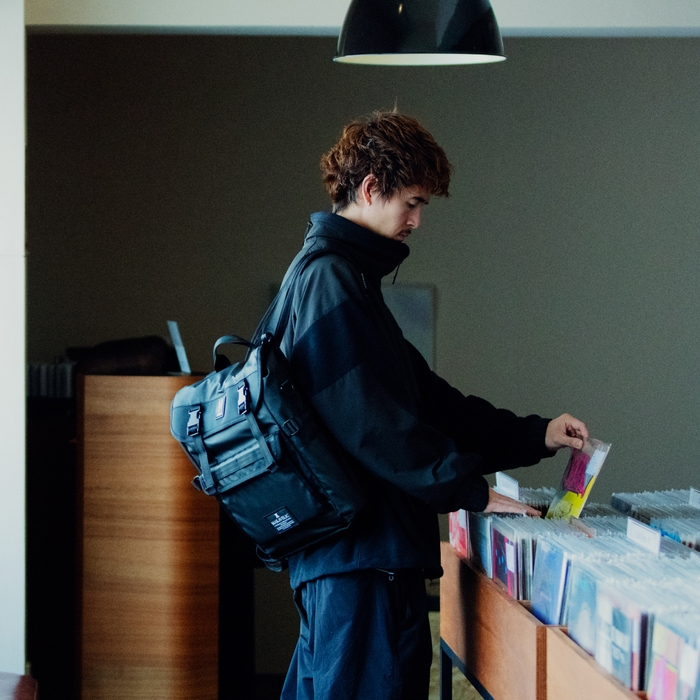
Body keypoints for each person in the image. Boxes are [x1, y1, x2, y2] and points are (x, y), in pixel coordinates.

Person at [277, 110, 588, 700]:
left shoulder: (345, 280)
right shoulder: (330, 282)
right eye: (413, 203)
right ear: (371, 188)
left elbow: (433, 404)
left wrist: (536, 434)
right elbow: (374, 426)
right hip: (360, 566)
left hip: (354, 564)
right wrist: (471, 493)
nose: (417, 221)